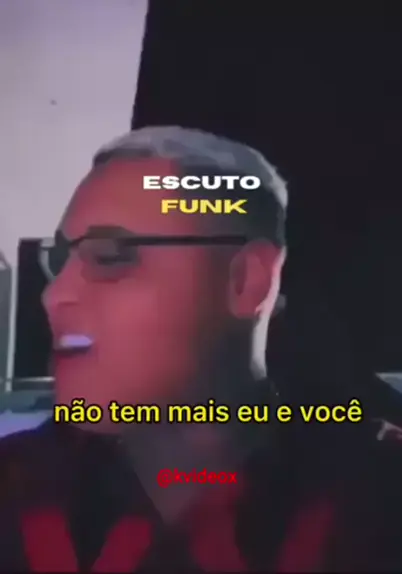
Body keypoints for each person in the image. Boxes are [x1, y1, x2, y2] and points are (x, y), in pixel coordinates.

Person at [0, 126, 401, 571]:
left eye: (110, 255)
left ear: (246, 281)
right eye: (59, 260)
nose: (54, 295)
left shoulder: (375, 492)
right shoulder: (15, 484)